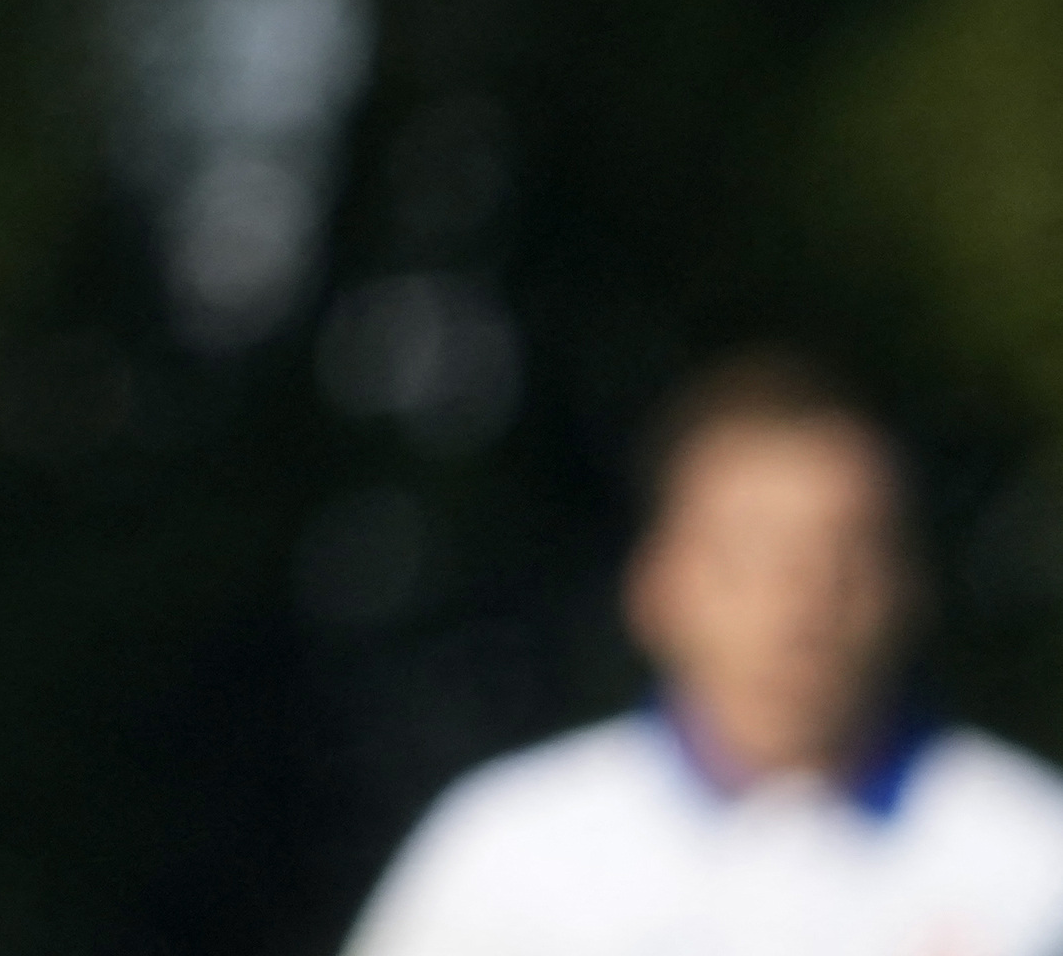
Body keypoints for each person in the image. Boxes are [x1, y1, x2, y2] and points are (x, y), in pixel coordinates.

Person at [347, 358, 1063, 956]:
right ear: (654, 584)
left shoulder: (1034, 854)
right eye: (745, 559)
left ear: (908, 586)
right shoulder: (506, 854)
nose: (796, 609)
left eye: (840, 562)